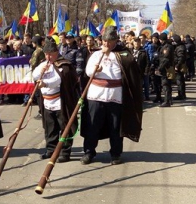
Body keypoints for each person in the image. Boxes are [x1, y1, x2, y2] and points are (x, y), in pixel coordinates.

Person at [80, 30, 143, 165]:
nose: (106, 43)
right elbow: (88, 71)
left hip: (115, 95)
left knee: (115, 127)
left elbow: (131, 71)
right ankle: (89, 152)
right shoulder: (96, 54)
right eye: (104, 41)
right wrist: (95, 70)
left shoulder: (123, 54)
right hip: (96, 95)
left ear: (115, 41)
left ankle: (115, 154)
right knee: (93, 125)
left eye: (109, 41)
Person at [32, 37, 78, 163]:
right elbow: (34, 75)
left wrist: (45, 83)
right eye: (46, 54)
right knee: (50, 128)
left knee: (64, 127)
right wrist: (40, 71)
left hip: (60, 101)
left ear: (56, 52)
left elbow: (58, 80)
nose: (48, 56)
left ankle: (65, 152)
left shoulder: (64, 64)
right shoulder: (43, 63)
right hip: (47, 101)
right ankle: (51, 150)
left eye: (51, 54)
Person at [157, 33, 175, 107]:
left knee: (165, 84)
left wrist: (160, 68)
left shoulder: (166, 47)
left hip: (166, 68)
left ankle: (167, 101)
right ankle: (169, 100)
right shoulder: (167, 46)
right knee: (168, 84)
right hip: (166, 67)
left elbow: (165, 59)